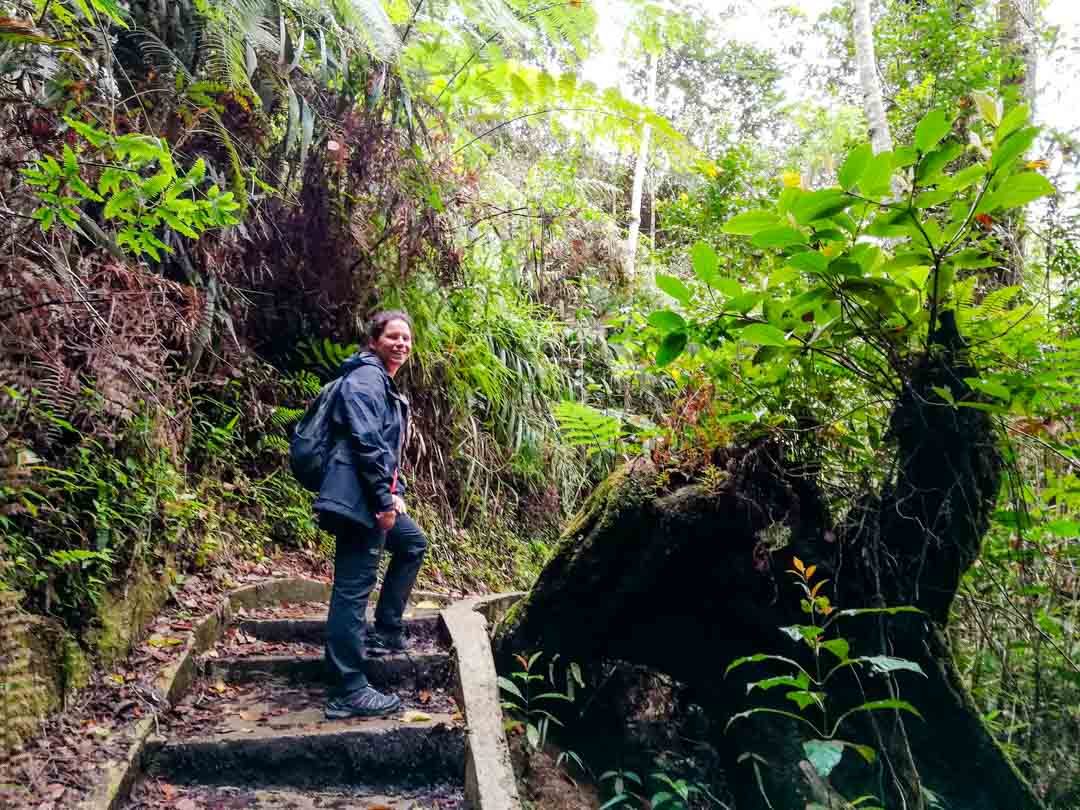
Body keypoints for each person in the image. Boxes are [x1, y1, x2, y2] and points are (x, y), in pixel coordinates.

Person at [314, 310, 428, 719]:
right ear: (375, 340)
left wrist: (392, 493)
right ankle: (348, 688)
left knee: (412, 543)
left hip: (368, 494)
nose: (401, 343)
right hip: (358, 499)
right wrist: (383, 500)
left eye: (407, 339)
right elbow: (365, 442)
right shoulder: (366, 378)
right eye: (393, 336)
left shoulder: (380, 381)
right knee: (352, 587)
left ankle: (386, 631)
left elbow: (380, 447)